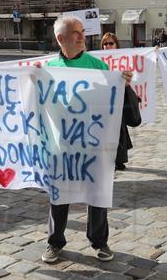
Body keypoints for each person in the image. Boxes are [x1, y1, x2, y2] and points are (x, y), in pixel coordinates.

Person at [41, 17, 133, 264]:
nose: (82, 37)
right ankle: (55, 242)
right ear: (61, 39)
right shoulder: (48, 67)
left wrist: (123, 83)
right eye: (76, 33)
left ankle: (99, 241)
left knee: (97, 193)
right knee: (59, 194)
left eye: (82, 32)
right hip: (62, 143)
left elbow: (111, 101)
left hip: (93, 143)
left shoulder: (97, 65)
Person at [101, 32, 142, 171]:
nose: (107, 46)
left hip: (120, 98)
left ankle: (119, 159)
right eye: (105, 44)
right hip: (104, 100)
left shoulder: (122, 59)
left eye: (110, 43)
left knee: (119, 128)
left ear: (116, 44)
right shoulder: (97, 60)